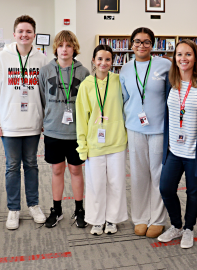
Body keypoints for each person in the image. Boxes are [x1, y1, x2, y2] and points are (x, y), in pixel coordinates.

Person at [0, 15, 49, 230]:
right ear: (14, 34)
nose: (24, 35)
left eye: (29, 31)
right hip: (9, 124)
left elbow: (44, 93)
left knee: (31, 165)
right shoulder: (2, 58)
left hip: (33, 123)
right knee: (12, 167)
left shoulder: (41, 59)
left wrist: (44, 118)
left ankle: (33, 205)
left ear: (34, 35)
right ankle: (13, 209)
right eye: (21, 31)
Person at [157, 40, 197, 248]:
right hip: (173, 149)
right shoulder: (170, 81)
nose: (183, 58)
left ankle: (189, 228)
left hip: (195, 151)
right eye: (179, 54)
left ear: (196, 57)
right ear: (174, 58)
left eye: (188, 54)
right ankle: (176, 225)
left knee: (193, 191)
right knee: (165, 188)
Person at [120, 27, 171, 238]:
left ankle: (157, 219)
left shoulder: (165, 65)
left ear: (153, 45)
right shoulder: (125, 69)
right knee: (139, 175)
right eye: (138, 41)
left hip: (158, 129)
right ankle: (140, 218)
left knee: (158, 175)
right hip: (134, 128)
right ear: (131, 44)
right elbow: (123, 99)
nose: (142, 45)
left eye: (147, 42)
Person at [38, 30, 90, 229]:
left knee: (76, 170)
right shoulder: (45, 71)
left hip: (76, 132)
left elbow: (87, 102)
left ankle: (79, 210)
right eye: (61, 45)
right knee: (57, 170)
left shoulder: (84, 72)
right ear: (56, 48)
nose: (64, 49)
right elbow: (43, 99)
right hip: (53, 131)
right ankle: (57, 209)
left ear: (74, 48)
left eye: (68, 45)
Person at [76, 45, 128, 235]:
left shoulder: (119, 81)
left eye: (107, 59)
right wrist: (82, 146)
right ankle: (97, 220)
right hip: (94, 144)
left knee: (116, 183)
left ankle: (112, 219)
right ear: (93, 60)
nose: (103, 63)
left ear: (112, 61)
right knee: (95, 183)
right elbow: (81, 118)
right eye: (100, 59)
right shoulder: (86, 85)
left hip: (116, 142)